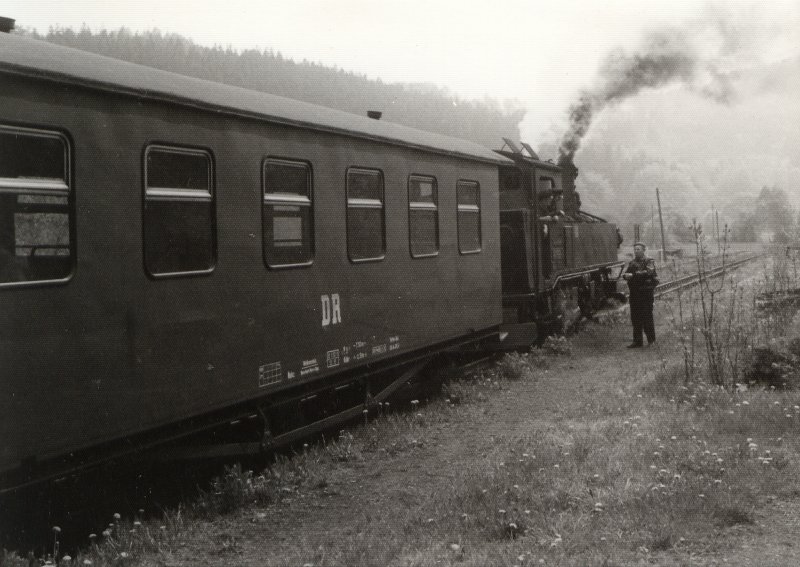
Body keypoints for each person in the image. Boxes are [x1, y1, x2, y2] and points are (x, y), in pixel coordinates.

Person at [623, 242, 658, 347]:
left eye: (638, 249)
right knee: (635, 318)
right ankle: (637, 341)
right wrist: (626, 276)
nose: (636, 251)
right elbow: (626, 274)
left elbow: (649, 272)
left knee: (647, 317)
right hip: (634, 294)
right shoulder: (632, 263)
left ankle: (651, 340)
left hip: (646, 294)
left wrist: (633, 275)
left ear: (644, 250)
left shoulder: (649, 261)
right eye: (635, 249)